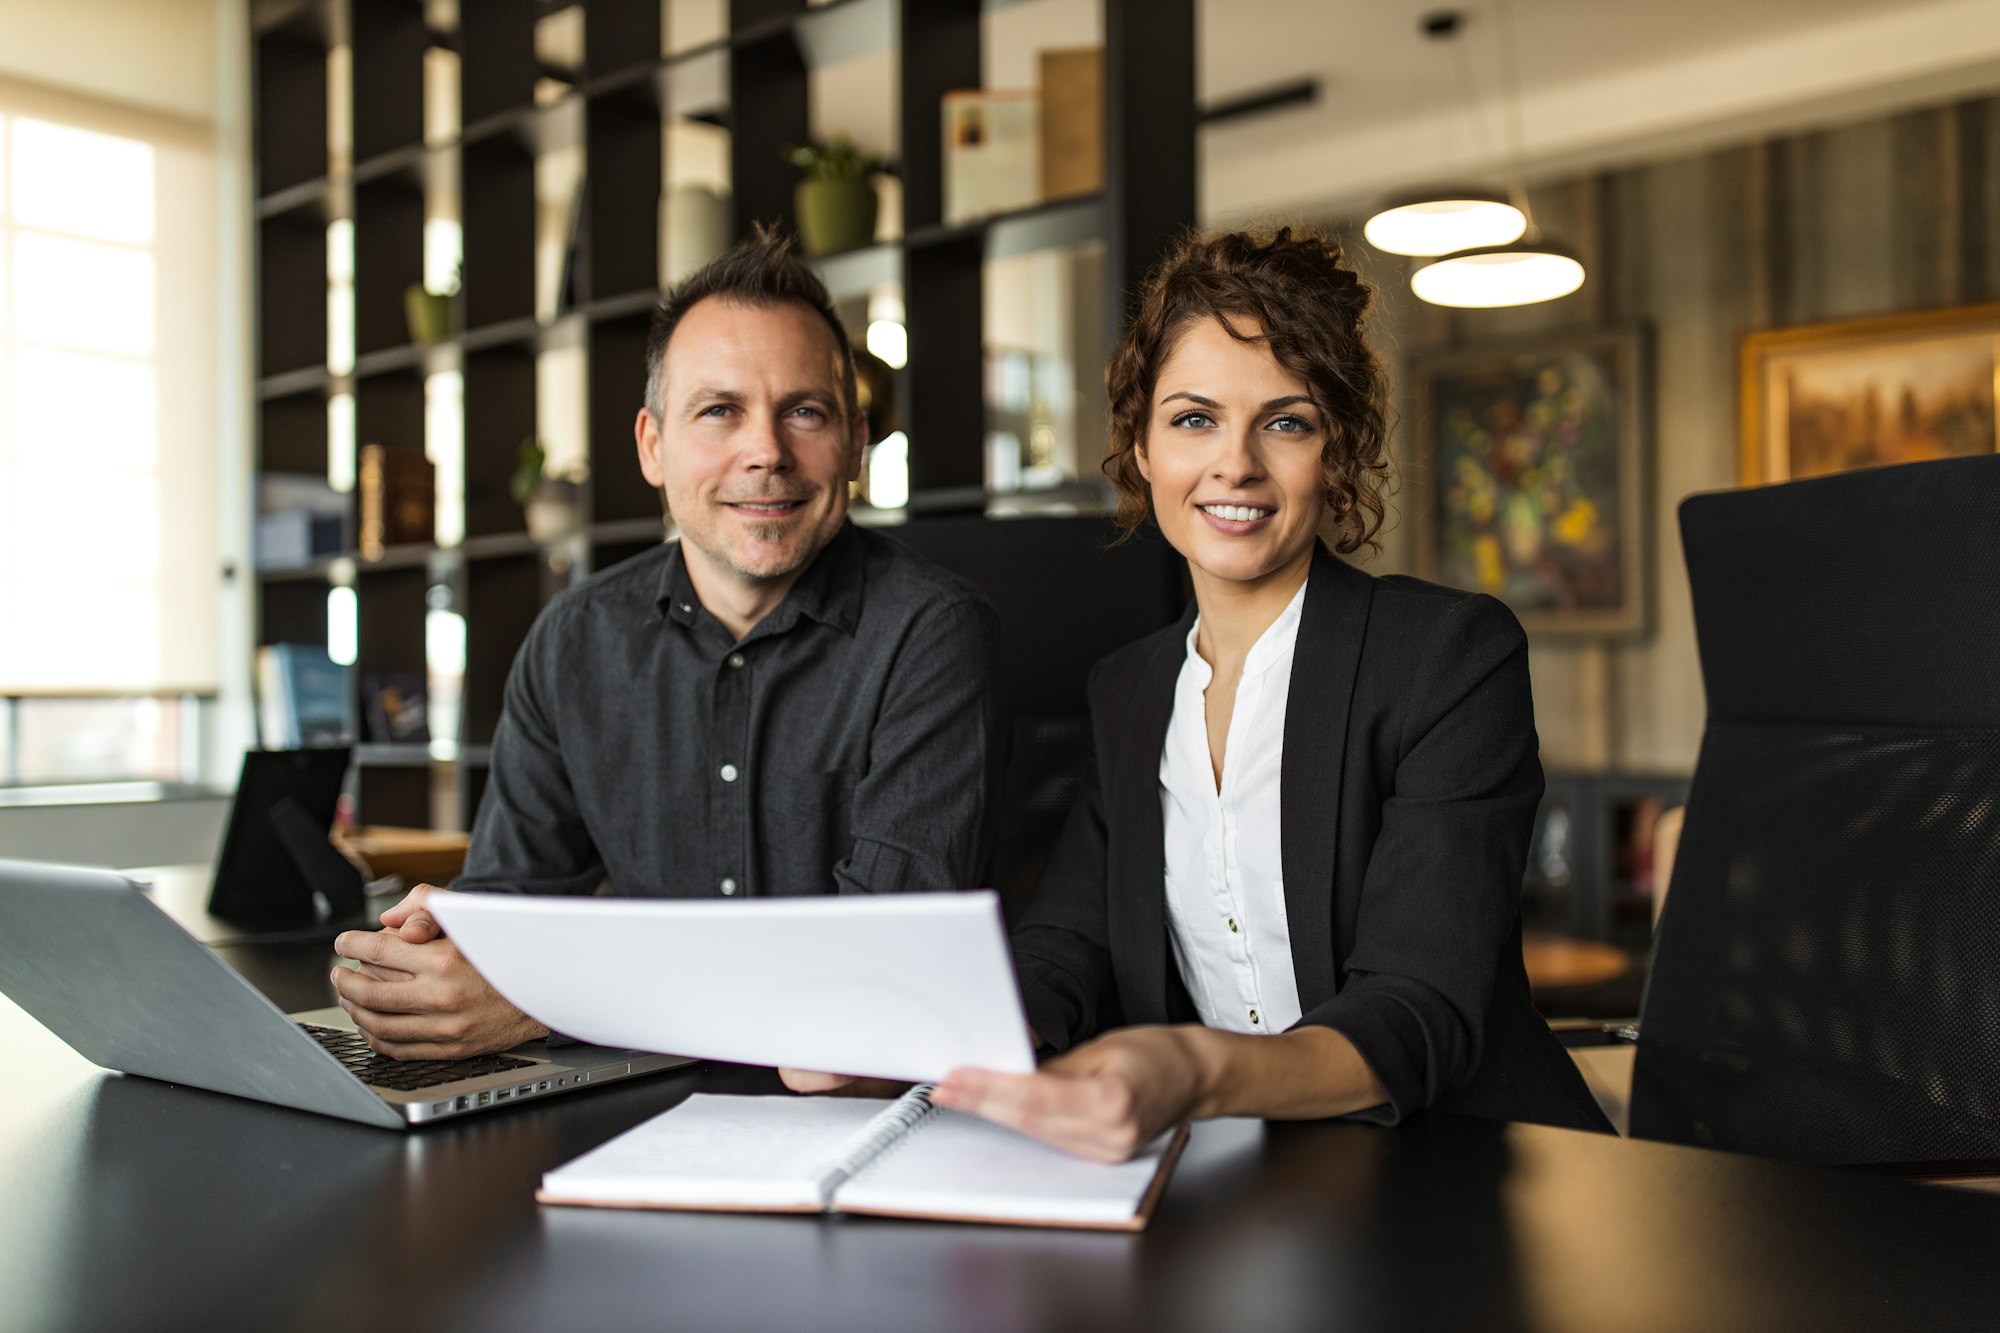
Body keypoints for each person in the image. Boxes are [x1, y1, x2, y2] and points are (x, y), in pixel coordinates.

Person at [789, 226, 1609, 1156]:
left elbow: (1421, 1005)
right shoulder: (1129, 691)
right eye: (1192, 419)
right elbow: (1069, 944)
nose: (1237, 464)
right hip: (1249, 1181)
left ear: (1335, 451)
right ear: (1141, 446)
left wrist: (1196, 1070)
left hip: (1474, 1171)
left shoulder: (1448, 656)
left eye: (1286, 421)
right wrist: (913, 1044)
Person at [330, 227, 1006, 1061]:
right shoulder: (574, 642)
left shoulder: (931, 634)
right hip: (624, 1093)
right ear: (653, 446)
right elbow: (517, 905)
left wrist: (547, 997)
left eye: (805, 411)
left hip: (846, 1111)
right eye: (720, 411)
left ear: (857, 443)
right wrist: (436, 960)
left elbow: (880, 971)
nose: (766, 452)